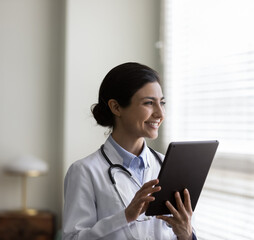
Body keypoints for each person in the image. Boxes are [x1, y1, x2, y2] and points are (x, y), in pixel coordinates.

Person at [62, 62, 197, 240]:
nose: (160, 113)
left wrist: (186, 235)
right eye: (149, 103)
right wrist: (125, 217)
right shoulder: (84, 171)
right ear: (116, 107)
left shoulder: (168, 166)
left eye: (161, 103)